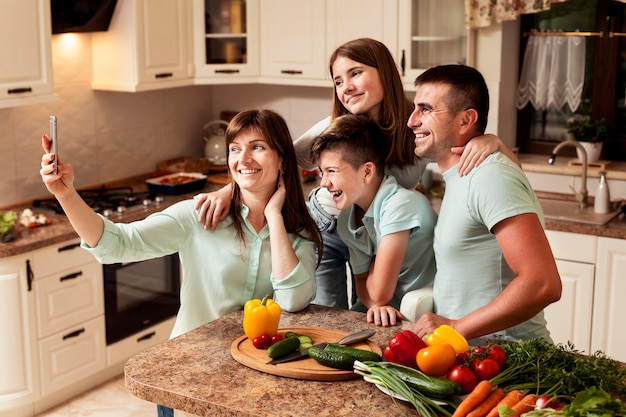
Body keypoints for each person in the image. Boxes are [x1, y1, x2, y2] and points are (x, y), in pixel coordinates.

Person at [194, 38, 520, 311]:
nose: (346, 87)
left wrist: (491, 141)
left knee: (363, 311)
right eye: (337, 81)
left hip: (373, 231)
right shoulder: (335, 126)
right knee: (327, 317)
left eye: (355, 73)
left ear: (385, 73)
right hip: (328, 226)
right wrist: (228, 191)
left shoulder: (417, 124)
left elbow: (462, 155)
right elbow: (272, 158)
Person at [39, 109, 323, 417]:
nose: (244, 159)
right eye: (235, 149)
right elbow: (115, 245)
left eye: (258, 147)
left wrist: (273, 218)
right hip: (190, 375)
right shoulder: (198, 215)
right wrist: (65, 195)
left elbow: (294, 300)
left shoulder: (298, 231)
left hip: (257, 379)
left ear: (282, 158)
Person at [407, 64, 562, 344]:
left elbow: (543, 284)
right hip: (471, 357)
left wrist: (457, 326)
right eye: (415, 107)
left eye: (426, 109)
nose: (412, 120)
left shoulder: (490, 176)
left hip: (509, 361)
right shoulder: (465, 174)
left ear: (465, 121)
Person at [310, 114, 437, 327]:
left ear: (367, 171)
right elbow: (365, 288)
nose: (324, 183)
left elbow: (378, 292)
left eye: (332, 171)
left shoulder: (400, 204)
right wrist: (376, 304)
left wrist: (375, 290)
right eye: (322, 172)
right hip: (382, 311)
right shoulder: (347, 221)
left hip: (423, 314)